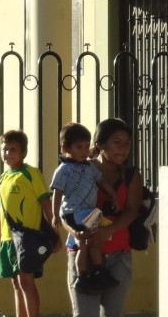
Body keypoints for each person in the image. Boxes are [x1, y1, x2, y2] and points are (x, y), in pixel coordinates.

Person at [65, 118, 141, 317]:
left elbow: (132, 210)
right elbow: (63, 210)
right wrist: (79, 234)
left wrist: (109, 231)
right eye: (116, 142)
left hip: (119, 254)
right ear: (100, 145)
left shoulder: (131, 174)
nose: (123, 148)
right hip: (82, 254)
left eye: (126, 143)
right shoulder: (80, 169)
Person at [0, 129, 55, 317]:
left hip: (27, 239)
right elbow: (2, 211)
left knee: (27, 280)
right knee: (16, 283)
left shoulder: (31, 174)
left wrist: (55, 232)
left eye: (13, 149)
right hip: (9, 240)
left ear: (23, 153)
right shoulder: (3, 177)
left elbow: (46, 203)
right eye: (5, 149)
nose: (8, 153)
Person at [50, 122, 118, 294]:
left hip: (91, 213)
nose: (84, 151)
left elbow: (101, 181)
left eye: (86, 147)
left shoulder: (90, 167)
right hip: (74, 213)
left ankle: (97, 270)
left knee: (95, 243)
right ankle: (82, 276)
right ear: (66, 148)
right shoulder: (64, 169)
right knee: (83, 244)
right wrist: (55, 215)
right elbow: (57, 193)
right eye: (79, 147)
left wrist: (113, 194)